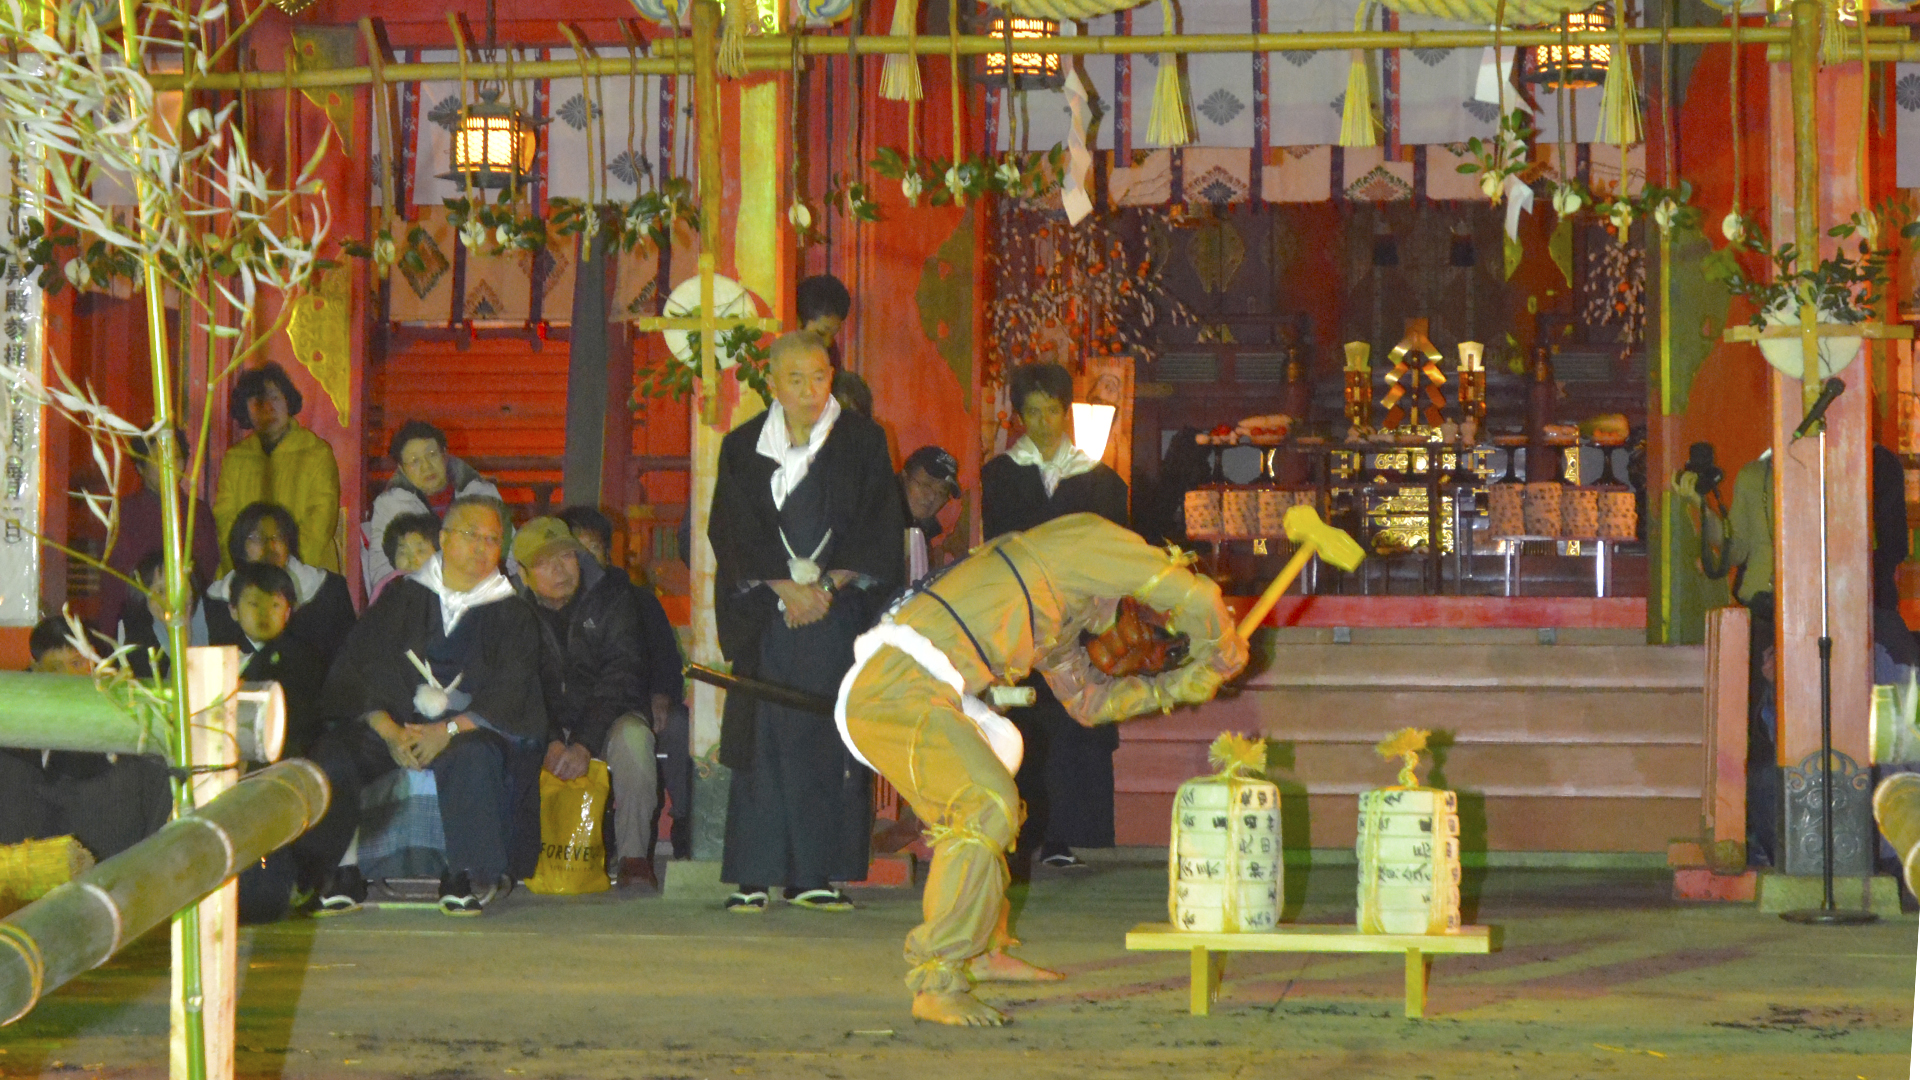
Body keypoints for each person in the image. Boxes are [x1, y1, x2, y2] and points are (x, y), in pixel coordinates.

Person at [837, 512, 1245, 1026]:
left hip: (934, 694)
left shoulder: (1064, 611)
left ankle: (982, 947)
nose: (1135, 644)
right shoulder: (1085, 546)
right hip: (896, 686)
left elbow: (1088, 704)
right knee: (985, 805)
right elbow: (1198, 599)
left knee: (993, 802)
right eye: (1149, 625)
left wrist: (1173, 689)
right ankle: (937, 979)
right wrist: (1221, 649)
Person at [708, 332, 905, 912]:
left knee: (822, 738)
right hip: (767, 612)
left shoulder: (863, 442)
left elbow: (876, 525)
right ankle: (753, 873)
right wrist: (783, 590)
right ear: (772, 383)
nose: (810, 390)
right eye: (795, 379)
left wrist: (822, 590)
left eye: (819, 377)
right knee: (762, 739)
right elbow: (733, 528)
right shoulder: (743, 446)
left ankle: (815, 873)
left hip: (831, 613)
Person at [295, 495, 550, 916]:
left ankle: (460, 875)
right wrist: (391, 731)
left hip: (465, 731)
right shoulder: (402, 598)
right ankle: (341, 871)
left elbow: (511, 691)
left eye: (492, 539)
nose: (482, 548)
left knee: (477, 755)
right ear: (445, 539)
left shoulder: (513, 613)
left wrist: (447, 731)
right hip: (395, 725)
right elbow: (363, 670)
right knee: (335, 752)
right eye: (471, 535)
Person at [982, 362, 1131, 874]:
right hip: (1021, 624)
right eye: (1032, 412)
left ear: (1066, 412)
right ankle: (1022, 832)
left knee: (1071, 725)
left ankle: (1065, 836)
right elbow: (994, 552)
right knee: (1021, 720)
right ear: (1017, 416)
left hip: (1080, 623)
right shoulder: (998, 476)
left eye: (1051, 410)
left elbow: (1116, 555)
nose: (1043, 423)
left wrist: (1094, 613)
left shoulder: (1100, 480)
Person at [512, 518, 661, 891]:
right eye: (546, 563)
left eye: (567, 556)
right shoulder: (508, 610)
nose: (560, 569)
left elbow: (623, 674)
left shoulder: (613, 597)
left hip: (606, 715)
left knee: (635, 741)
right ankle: (514, 857)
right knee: (502, 742)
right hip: (538, 720)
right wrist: (547, 739)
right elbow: (515, 684)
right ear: (523, 573)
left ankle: (633, 857)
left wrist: (584, 743)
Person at [556, 504, 691, 858]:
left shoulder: (638, 600)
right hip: (573, 712)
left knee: (676, 727)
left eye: (594, 549)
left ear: (608, 552)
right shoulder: (551, 601)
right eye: (576, 549)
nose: (585, 559)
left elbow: (665, 656)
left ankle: (686, 819)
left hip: (631, 702)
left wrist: (662, 694)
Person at [0, 618, 173, 862]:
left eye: (77, 663)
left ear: (94, 662)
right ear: (35, 669)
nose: (69, 676)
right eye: (55, 668)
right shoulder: (11, 721)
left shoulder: (124, 710)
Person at [1675, 453, 1777, 867]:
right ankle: (1757, 833)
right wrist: (1701, 504)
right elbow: (1736, 549)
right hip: (1764, 610)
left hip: (1818, 607)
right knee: (1757, 725)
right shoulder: (1755, 474)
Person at [212, 362, 342, 575]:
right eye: (258, 401)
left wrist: (286, 573)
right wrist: (245, 569)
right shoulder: (236, 459)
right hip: (247, 576)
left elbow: (320, 523)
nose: (268, 409)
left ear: (288, 401)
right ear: (245, 409)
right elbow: (226, 522)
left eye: (274, 398)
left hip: (306, 576)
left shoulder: (316, 453)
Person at [204, 502, 356, 672]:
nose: (269, 546)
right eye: (256, 537)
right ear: (240, 546)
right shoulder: (217, 601)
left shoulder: (329, 591)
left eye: (278, 537)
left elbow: (349, 665)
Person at [98, 428, 220, 632]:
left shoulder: (197, 512)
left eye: (177, 457)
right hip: (137, 622)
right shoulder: (122, 513)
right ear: (140, 466)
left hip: (189, 618)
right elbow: (115, 585)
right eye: (158, 458)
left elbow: (208, 570)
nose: (169, 465)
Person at [360, 420, 502, 594]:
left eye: (432, 455)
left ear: (445, 454)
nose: (426, 467)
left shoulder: (482, 494)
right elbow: (381, 569)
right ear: (402, 469)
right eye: (414, 461)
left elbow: (507, 555)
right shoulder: (390, 505)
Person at [228, 560, 330, 757]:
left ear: (287, 613)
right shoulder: (219, 655)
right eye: (254, 604)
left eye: (275, 605)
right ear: (233, 610)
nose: (264, 613)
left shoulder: (304, 659)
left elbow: (303, 724)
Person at [114, 549, 210, 680]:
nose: (171, 599)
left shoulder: (221, 617)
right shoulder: (138, 640)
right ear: (145, 600)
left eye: (177, 586)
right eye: (160, 591)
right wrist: (182, 645)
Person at [901, 445, 962, 585]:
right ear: (905, 477)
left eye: (941, 493)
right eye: (926, 485)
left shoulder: (923, 531)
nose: (931, 497)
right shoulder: (877, 521)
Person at [372, 512, 441, 603]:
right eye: (402, 553)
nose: (411, 558)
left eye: (421, 551)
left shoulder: (446, 584)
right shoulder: (388, 586)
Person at [797, 273, 852, 365]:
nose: (827, 343)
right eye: (821, 333)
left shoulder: (831, 354)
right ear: (798, 322)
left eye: (833, 335)